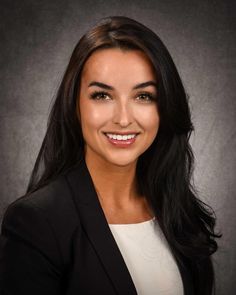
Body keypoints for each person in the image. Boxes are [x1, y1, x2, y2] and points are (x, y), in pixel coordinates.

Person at [0, 16, 220, 295]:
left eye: (143, 96)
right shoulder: (35, 222)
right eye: (102, 96)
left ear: (163, 108)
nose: (124, 119)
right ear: (74, 105)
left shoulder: (179, 212)